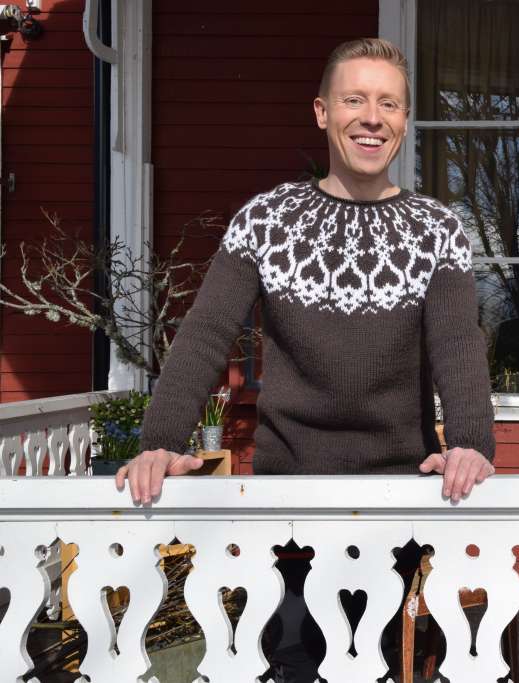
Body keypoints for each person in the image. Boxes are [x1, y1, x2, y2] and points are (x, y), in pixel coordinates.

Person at [115, 38, 496, 682]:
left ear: (405, 121)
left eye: (389, 104)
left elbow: (458, 343)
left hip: (403, 503)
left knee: (395, 667)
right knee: (294, 665)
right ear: (322, 112)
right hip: (286, 504)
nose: (372, 118)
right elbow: (206, 333)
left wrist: (472, 443)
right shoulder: (266, 221)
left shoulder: (438, 230)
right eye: (355, 100)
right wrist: (159, 441)